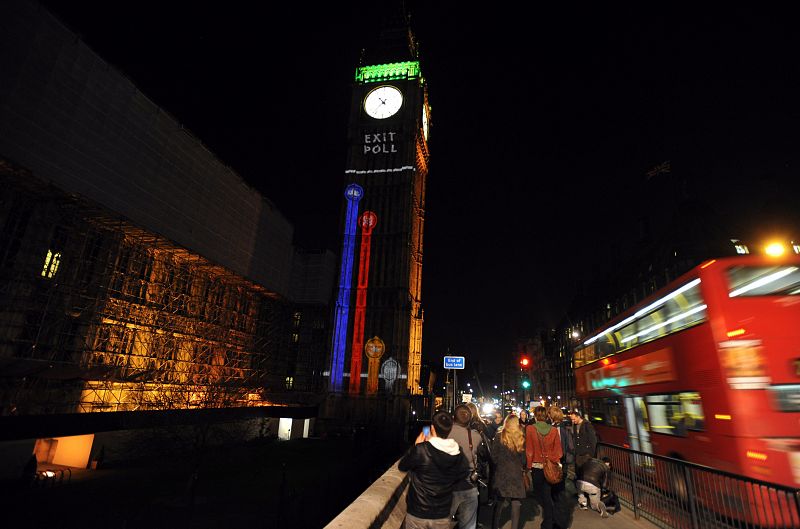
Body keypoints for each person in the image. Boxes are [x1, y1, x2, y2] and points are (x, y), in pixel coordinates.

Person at [399, 411, 471, 529]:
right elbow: (464, 473)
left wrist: (416, 446)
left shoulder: (421, 449)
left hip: (418, 511)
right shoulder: (458, 452)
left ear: (432, 428)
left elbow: (402, 466)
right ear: (450, 429)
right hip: (442, 513)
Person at [526, 406, 563, 529]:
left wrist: (528, 466)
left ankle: (548, 521)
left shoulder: (530, 429)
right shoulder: (553, 430)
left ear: (535, 416)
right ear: (546, 416)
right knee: (547, 494)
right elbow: (559, 452)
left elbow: (529, 450)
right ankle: (550, 521)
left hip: (536, 466)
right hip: (549, 467)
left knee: (538, 494)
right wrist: (552, 460)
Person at [490, 414, 527, 529]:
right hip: (516, 473)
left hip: (502, 472)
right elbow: (524, 459)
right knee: (516, 502)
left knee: (500, 501)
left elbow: (494, 456)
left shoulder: (499, 436)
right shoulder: (521, 437)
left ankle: (495, 525)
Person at [449, 404, 483, 529]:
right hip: (469, 484)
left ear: (453, 417)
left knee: (441, 523)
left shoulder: (444, 432)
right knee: (468, 525)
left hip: (448, 484)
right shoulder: (475, 436)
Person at [548, 406, 575, 529]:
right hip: (562, 463)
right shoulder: (566, 429)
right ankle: (561, 519)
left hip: (555, 462)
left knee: (555, 492)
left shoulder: (553, 429)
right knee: (560, 490)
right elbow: (571, 447)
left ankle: (558, 521)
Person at [567, 410, 597, 475]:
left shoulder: (587, 425)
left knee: (586, 473)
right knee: (579, 473)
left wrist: (590, 454)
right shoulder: (575, 425)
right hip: (578, 454)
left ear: (578, 417)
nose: (572, 421)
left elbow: (593, 440)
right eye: (571, 420)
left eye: (574, 419)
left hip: (586, 454)